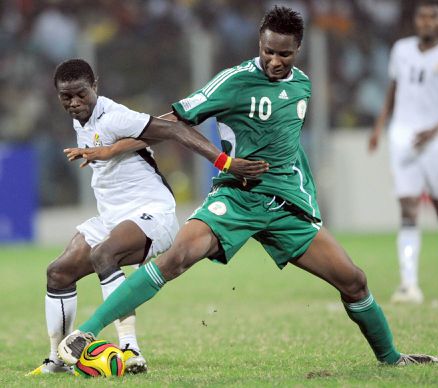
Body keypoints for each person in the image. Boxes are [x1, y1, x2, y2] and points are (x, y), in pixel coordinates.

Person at [58, 7, 438, 367]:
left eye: (285, 54)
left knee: (354, 280)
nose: (275, 61)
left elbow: (290, 148)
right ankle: (84, 334)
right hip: (236, 197)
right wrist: (112, 149)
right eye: (268, 51)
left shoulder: (304, 87)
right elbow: (170, 123)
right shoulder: (234, 80)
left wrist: (304, 194)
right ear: (259, 42)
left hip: (284, 205)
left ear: (298, 50)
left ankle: (393, 359)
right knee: (176, 259)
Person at [28, 59, 268, 375]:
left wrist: (224, 162)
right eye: (66, 97)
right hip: (112, 217)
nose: (74, 103)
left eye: (81, 95)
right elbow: (144, 137)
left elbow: (174, 128)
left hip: (152, 212)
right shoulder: (82, 120)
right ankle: (57, 360)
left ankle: (130, 349)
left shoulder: (114, 116)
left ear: (95, 87)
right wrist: (113, 151)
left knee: (104, 254)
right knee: (58, 272)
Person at [369, 0, 438, 303]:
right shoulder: (401, 50)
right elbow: (392, 89)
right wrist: (379, 127)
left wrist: (433, 130)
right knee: (408, 208)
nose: (427, 21)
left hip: (436, 141)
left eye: (434, 17)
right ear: (416, 21)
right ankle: (409, 284)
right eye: (423, 16)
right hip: (403, 136)